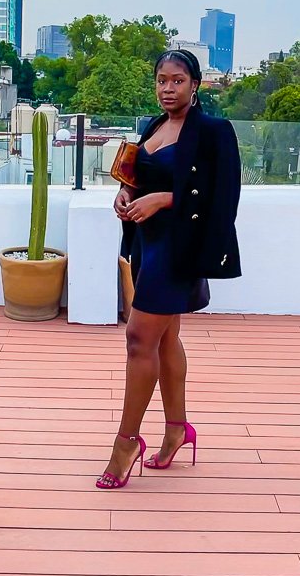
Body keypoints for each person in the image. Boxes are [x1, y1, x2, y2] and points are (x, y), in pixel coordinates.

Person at [96, 49, 242, 489]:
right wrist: (125, 193)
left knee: (139, 338)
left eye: (177, 81)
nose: (167, 89)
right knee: (166, 337)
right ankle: (177, 429)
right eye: (161, 80)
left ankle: (126, 442)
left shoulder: (215, 131)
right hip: (148, 243)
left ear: (195, 85)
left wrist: (165, 200)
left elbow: (223, 198)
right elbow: (143, 174)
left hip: (179, 247)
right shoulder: (153, 126)